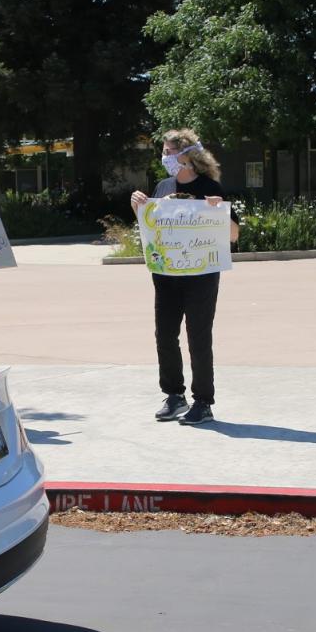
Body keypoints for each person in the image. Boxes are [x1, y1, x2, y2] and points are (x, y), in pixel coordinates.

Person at [130, 128, 241, 425]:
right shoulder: (163, 186)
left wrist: (221, 213)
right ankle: (174, 395)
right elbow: (152, 227)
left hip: (201, 275)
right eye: (164, 152)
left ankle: (203, 401)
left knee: (198, 337)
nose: (164, 157)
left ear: (187, 156)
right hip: (166, 275)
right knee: (165, 335)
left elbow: (233, 235)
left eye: (169, 152)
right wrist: (138, 208)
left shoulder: (210, 186)